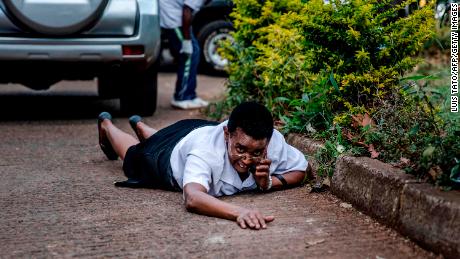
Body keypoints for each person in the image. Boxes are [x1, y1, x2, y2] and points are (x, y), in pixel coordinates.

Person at [97, 102, 309, 229]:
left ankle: (143, 127)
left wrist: (269, 182)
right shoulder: (205, 152)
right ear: (227, 134)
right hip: (168, 155)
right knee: (135, 154)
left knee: (159, 139)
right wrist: (239, 212)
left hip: (194, 132)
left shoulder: (273, 142)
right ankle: (107, 126)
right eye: (241, 149)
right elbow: (193, 197)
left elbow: (301, 169)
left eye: (256, 153)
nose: (246, 160)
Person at [159, 0, 209, 109]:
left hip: (178, 19)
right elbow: (186, 12)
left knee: (194, 52)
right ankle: (181, 97)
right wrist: (186, 41)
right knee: (188, 55)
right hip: (173, 21)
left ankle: (190, 95)